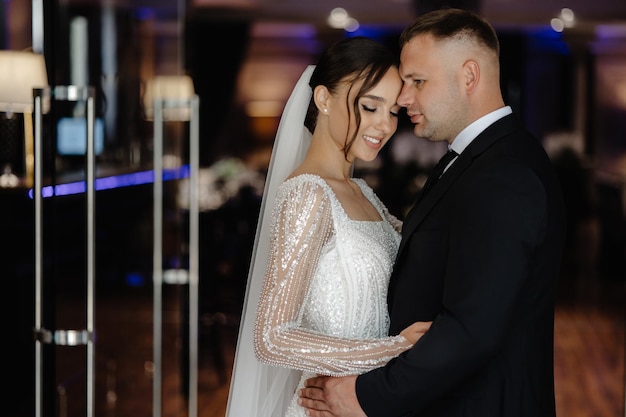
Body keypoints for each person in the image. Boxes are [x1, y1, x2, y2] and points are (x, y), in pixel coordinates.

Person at [299, 8, 567, 417]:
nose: (404, 99)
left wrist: (366, 395)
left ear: (469, 77)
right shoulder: (472, 159)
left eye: (417, 82)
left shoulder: (506, 174)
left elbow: (471, 329)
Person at [224, 36, 431, 417]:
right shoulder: (308, 196)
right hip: (324, 407)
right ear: (323, 99)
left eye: (393, 112)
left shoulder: (363, 192)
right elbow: (271, 338)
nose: (385, 125)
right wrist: (393, 348)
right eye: (370, 106)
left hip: (368, 402)